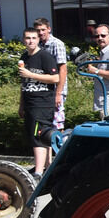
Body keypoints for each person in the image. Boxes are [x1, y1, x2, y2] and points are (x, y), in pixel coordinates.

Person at [18, 27, 59, 181]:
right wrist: (21, 105)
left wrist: (31, 74)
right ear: (23, 40)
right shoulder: (24, 57)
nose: (31, 41)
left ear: (38, 40)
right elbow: (23, 83)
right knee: (33, 135)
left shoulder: (45, 56)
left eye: (34, 38)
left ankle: (39, 172)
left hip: (42, 103)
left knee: (38, 135)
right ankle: (47, 168)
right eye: (28, 38)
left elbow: (55, 78)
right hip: (29, 102)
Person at [33, 17, 67, 142]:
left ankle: (60, 150)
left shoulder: (56, 44)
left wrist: (59, 93)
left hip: (56, 90)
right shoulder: (39, 45)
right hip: (44, 89)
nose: (41, 33)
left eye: (43, 30)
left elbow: (63, 69)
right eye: (38, 30)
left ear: (49, 29)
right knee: (45, 123)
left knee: (57, 122)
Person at [85, 24, 109, 117]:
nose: (100, 38)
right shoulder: (105, 52)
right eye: (97, 36)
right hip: (106, 102)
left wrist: (96, 71)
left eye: (103, 35)